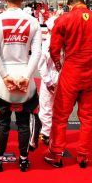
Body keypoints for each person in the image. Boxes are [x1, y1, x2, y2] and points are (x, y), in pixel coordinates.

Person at [44, 0, 92, 169]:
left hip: (71, 71)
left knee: (60, 115)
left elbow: (54, 49)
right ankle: (83, 155)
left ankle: (56, 154)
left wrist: (59, 66)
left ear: (70, 5)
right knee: (88, 117)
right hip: (91, 72)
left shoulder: (64, 18)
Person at [0, 0, 41, 172]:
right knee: (24, 122)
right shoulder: (33, 21)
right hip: (26, 75)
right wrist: (26, 76)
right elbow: (37, 54)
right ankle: (24, 160)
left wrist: (5, 76)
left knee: (2, 121)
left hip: (3, 79)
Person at [37, 17, 59, 145]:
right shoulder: (67, 41)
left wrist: (48, 81)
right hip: (62, 77)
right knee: (58, 107)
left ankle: (46, 133)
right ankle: (55, 132)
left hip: (51, 76)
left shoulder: (47, 43)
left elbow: (41, 65)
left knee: (46, 106)